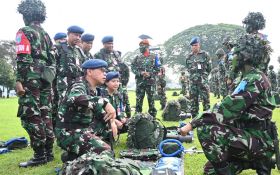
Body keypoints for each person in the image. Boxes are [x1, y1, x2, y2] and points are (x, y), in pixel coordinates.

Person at [180, 34, 276, 175]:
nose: (230, 59)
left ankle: (260, 159)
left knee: (206, 130)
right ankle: (254, 162)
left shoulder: (254, 79)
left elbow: (225, 109)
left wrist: (192, 123)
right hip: (249, 135)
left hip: (258, 140)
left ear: (244, 57)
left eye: (234, 55)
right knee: (210, 170)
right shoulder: (248, 77)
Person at [15, 0, 55, 167]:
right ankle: (49, 152)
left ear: (26, 15)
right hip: (46, 78)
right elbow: (53, 59)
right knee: (45, 113)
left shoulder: (24, 31)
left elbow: (23, 59)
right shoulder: (46, 34)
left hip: (31, 79)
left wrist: (19, 80)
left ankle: (39, 155)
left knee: (31, 115)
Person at [55, 59, 117, 162]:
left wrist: (112, 121)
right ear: (89, 72)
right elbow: (76, 98)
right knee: (105, 152)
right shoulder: (79, 85)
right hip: (68, 132)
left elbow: (100, 114)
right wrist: (104, 102)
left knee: (105, 126)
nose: (105, 74)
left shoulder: (93, 90)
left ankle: (72, 156)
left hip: (82, 129)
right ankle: (76, 158)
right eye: (101, 70)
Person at [94, 36, 131, 117]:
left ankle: (127, 120)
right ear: (103, 44)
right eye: (108, 44)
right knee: (108, 103)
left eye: (112, 43)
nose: (111, 45)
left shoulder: (116, 53)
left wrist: (124, 82)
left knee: (124, 101)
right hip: (106, 85)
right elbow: (97, 71)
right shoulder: (98, 55)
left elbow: (123, 67)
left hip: (118, 83)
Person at [131, 39, 160, 118]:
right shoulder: (137, 57)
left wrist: (150, 74)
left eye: (142, 46)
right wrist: (140, 73)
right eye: (139, 46)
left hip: (150, 83)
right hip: (140, 83)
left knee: (151, 101)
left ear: (147, 46)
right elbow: (132, 67)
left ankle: (152, 118)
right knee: (139, 101)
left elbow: (158, 69)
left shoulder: (154, 57)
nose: (140, 48)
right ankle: (137, 118)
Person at [185, 36, 211, 118]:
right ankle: (194, 121)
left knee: (206, 102)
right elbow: (188, 69)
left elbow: (209, 68)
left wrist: (203, 77)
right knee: (193, 103)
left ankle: (207, 121)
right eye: (192, 45)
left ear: (199, 45)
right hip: (193, 83)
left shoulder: (205, 55)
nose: (194, 47)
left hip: (203, 83)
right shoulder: (189, 57)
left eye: (195, 45)